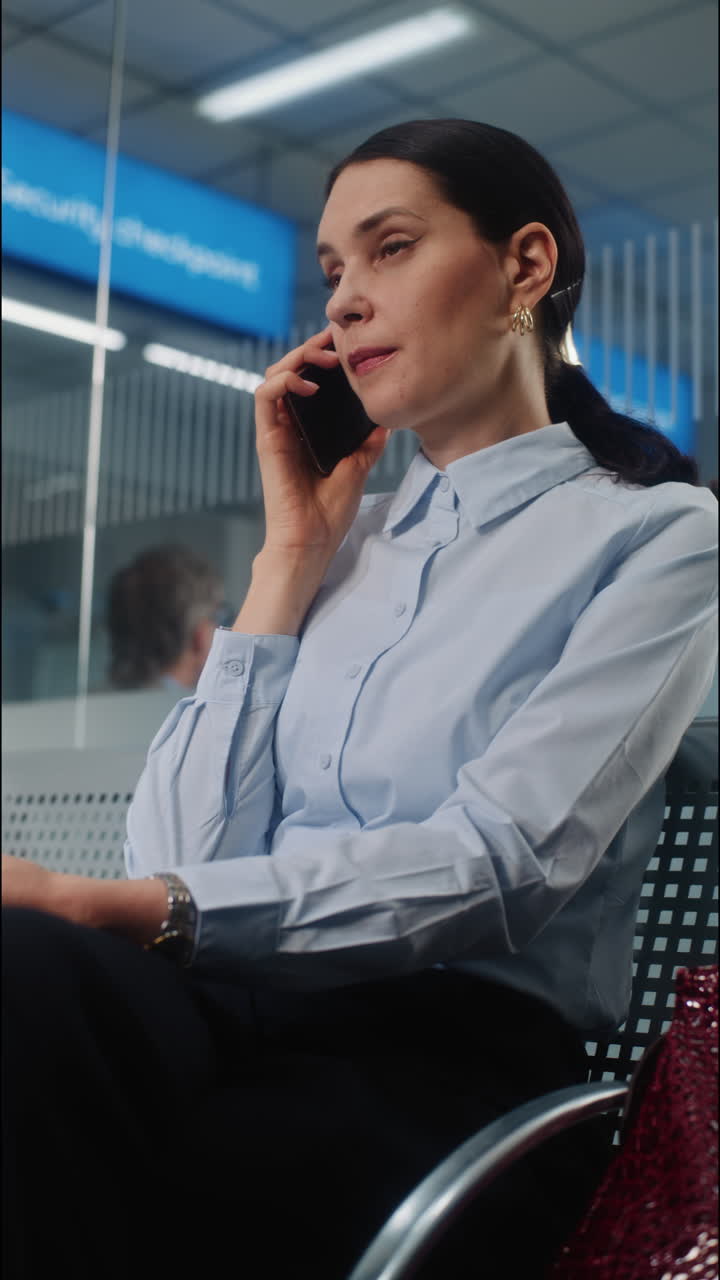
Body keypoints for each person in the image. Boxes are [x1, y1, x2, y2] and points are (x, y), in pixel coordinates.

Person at [3, 119, 717, 1280]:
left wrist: (117, 906)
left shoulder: (654, 534)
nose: (342, 301)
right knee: (22, 977)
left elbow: (502, 860)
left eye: (389, 249)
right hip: (237, 1006)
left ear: (524, 268)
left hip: (448, 1048)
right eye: (334, 269)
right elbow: (180, 851)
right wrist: (288, 559)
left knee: (178, 1169)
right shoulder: (345, 541)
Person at [105, 543, 226, 692]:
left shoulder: (91, 704)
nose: (223, 630)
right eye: (218, 618)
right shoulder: (205, 711)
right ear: (198, 637)